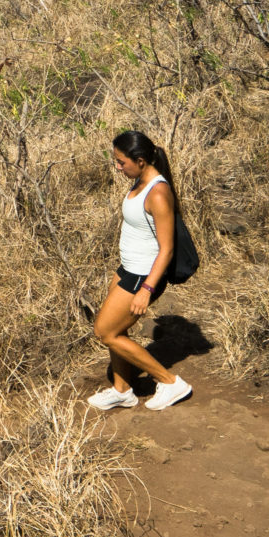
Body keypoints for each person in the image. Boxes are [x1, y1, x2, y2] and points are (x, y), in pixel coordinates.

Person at [88, 129, 192, 411]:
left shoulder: (158, 193)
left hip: (143, 276)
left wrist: (146, 289)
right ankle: (122, 390)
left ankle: (170, 382)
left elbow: (166, 249)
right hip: (127, 270)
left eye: (122, 162)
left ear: (141, 160)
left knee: (105, 332)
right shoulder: (139, 182)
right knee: (116, 330)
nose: (118, 167)